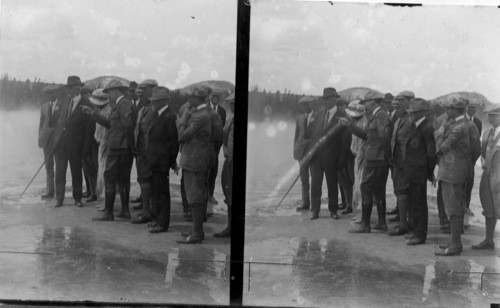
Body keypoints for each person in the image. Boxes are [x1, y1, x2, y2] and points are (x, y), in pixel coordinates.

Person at [82, 80, 136, 221]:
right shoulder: (120, 104)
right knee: (123, 179)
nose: (108, 96)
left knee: (109, 177)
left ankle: (108, 212)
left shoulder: (123, 103)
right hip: (121, 147)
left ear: (116, 91)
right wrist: (94, 114)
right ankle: (124, 211)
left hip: (119, 147)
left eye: (109, 92)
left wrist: (129, 145)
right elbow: (110, 124)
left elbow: (129, 125)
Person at [342, 91, 391, 233]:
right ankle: (381, 223)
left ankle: (365, 224)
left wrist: (386, 157)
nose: (365, 106)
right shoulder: (376, 115)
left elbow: (385, 138)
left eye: (366, 103)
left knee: (366, 188)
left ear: (374, 102)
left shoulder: (380, 115)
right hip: (376, 158)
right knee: (378, 190)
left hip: (375, 158)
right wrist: (351, 126)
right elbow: (368, 136)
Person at [434, 96, 471, 256]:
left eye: (449, 108)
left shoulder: (459, 127)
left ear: (457, 110)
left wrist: (439, 131)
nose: (446, 111)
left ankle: (455, 245)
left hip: (452, 173)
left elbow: (442, 147)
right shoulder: (457, 124)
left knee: (453, 208)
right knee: (453, 207)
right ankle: (455, 242)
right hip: (451, 171)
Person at [176, 86, 212, 244]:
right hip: (195, 160)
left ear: (198, 99)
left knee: (194, 196)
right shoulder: (200, 113)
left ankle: (197, 233)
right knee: (196, 194)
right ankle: (197, 230)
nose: (188, 100)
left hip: (194, 161)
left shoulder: (200, 116)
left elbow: (182, 135)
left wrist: (182, 120)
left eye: (191, 97)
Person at [51, 76, 93, 208]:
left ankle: (77, 198)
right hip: (61, 145)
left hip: (77, 145)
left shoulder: (86, 103)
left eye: (71, 87)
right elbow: (55, 123)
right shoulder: (64, 102)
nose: (69, 90)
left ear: (78, 88)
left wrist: (86, 147)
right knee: (60, 172)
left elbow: (90, 129)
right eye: (68, 87)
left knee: (76, 171)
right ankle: (59, 198)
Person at [309, 87, 347, 220]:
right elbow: (314, 137)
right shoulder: (319, 114)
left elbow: (345, 140)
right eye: (323, 99)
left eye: (326, 99)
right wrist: (310, 154)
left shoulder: (342, 115)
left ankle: (333, 210)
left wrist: (341, 159)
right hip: (316, 158)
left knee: (332, 184)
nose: (324, 101)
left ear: (334, 99)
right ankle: (315, 210)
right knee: (315, 184)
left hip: (333, 157)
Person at [145, 87, 179, 233]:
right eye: (153, 100)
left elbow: (174, 143)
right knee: (156, 192)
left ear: (164, 101)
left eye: (156, 101)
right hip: (155, 161)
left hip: (162, 162)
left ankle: (162, 223)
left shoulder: (169, 117)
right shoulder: (159, 115)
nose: (153, 103)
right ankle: (157, 219)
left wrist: (171, 162)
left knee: (162, 193)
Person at [404, 98, 437, 245]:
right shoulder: (415, 126)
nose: (411, 115)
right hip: (412, 171)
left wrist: (429, 172)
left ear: (421, 113)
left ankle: (420, 234)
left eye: (413, 112)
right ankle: (414, 230)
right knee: (413, 202)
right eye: (410, 112)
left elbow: (431, 153)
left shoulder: (427, 128)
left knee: (419, 203)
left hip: (420, 171)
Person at [473, 106, 500, 250]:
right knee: (488, 208)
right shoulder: (487, 132)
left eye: (494, 116)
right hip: (487, 176)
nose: (491, 118)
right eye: (489, 116)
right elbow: (482, 154)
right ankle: (489, 240)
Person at [387, 91, 413, 236]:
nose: (396, 111)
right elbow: (394, 141)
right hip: (397, 161)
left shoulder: (410, 121)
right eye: (395, 108)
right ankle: (404, 221)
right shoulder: (398, 121)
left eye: (399, 107)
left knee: (404, 192)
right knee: (399, 191)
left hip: (406, 163)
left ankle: (404, 224)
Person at [131, 79, 158, 205]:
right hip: (141, 149)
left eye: (145, 89)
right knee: (142, 177)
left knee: (147, 178)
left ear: (153, 90)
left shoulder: (155, 108)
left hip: (149, 151)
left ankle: (149, 209)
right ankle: (146, 204)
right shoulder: (144, 108)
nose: (141, 93)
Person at [214, 92, 235, 238]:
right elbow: (223, 138)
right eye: (231, 104)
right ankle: (229, 227)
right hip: (228, 161)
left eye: (234, 104)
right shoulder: (229, 121)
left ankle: (233, 228)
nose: (232, 106)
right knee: (228, 194)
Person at [38, 85, 61, 199]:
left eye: (52, 93)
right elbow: (41, 125)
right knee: (49, 166)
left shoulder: (63, 106)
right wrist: (40, 139)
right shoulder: (44, 107)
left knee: (60, 166)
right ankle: (50, 191)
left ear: (56, 93)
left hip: (59, 141)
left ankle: (59, 192)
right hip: (46, 141)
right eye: (48, 93)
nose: (49, 95)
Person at [346, 100, 367, 222]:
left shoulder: (363, 123)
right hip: (357, 156)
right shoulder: (358, 122)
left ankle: (363, 215)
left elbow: (363, 142)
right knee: (358, 186)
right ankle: (361, 213)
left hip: (362, 157)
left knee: (361, 187)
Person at [294, 96, 315, 212]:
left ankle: (314, 204)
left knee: (315, 179)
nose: (305, 107)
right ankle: (305, 203)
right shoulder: (299, 118)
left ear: (310, 104)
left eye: (307, 104)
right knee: (304, 179)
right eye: (303, 105)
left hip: (314, 152)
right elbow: (296, 136)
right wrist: (295, 151)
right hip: (301, 153)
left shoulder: (318, 117)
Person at [89, 89, 111, 200]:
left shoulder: (107, 112)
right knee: (101, 173)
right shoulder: (102, 111)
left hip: (104, 145)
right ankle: (103, 198)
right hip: (101, 144)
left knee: (103, 173)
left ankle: (104, 199)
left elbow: (106, 131)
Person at [464, 100, 482, 227]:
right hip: (461, 158)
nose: (471, 110)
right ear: (466, 108)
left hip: (471, 160)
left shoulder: (479, 122)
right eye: (469, 107)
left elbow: (477, 143)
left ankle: (467, 206)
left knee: (469, 184)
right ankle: (460, 208)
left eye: (473, 108)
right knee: (460, 184)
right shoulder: (462, 120)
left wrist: (473, 160)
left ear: (476, 110)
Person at [207, 89, 227, 207]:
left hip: (216, 147)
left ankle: (211, 194)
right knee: (206, 171)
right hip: (205, 146)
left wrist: (218, 146)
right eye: (213, 95)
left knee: (214, 171)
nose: (215, 98)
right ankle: (205, 195)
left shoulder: (223, 111)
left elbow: (221, 130)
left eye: (217, 96)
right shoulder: (205, 109)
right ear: (210, 96)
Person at [80, 86, 99, 203]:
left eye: (86, 93)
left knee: (94, 168)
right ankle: (90, 191)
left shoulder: (92, 106)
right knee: (87, 169)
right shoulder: (86, 106)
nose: (85, 96)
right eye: (83, 94)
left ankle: (95, 193)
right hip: (87, 142)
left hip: (94, 142)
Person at [336, 98, 354, 214]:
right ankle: (345, 202)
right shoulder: (342, 119)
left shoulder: (350, 120)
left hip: (349, 155)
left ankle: (349, 204)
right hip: (342, 153)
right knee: (342, 180)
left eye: (341, 106)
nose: (340, 108)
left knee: (348, 180)